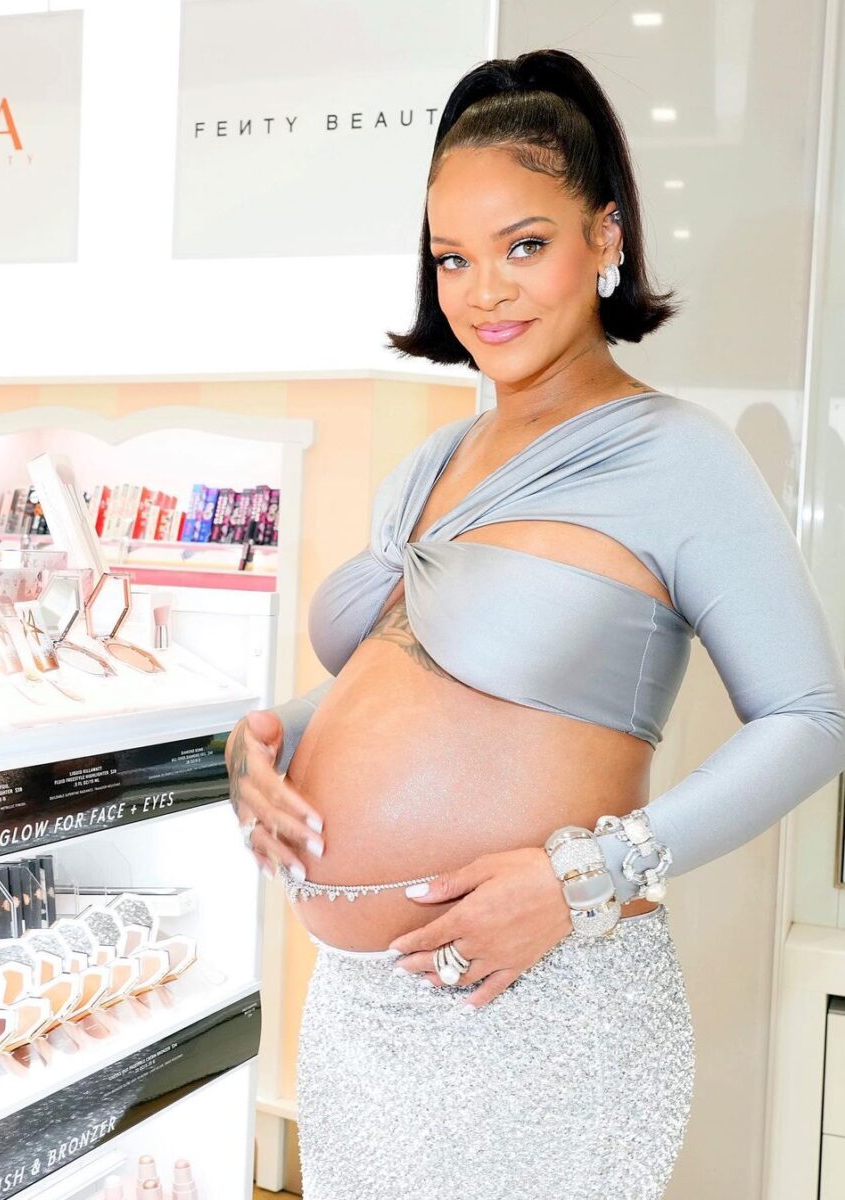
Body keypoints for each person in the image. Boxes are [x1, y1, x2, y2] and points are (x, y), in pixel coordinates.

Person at [224, 48, 845, 1200]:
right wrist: (268, 746)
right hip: (360, 1018)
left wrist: (585, 876)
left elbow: (811, 718)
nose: (483, 292)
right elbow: (426, 686)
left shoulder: (678, 458)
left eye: (524, 245)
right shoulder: (430, 465)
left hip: (543, 1009)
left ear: (605, 237)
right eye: (453, 258)